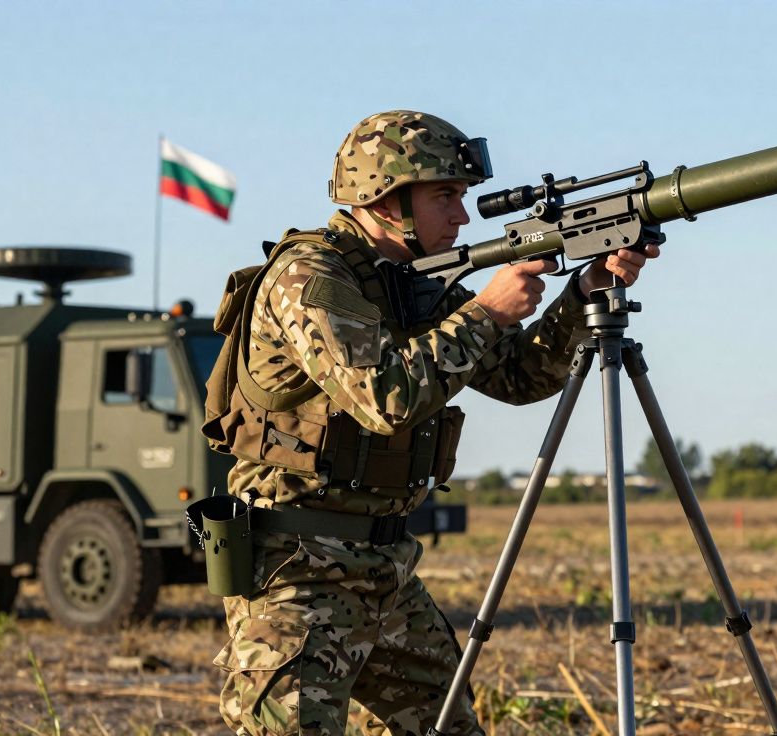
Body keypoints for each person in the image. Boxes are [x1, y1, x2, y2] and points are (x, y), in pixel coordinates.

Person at [207, 110, 659, 736]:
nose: (463, 216)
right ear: (386, 200)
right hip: (297, 571)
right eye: (445, 196)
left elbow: (521, 376)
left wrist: (581, 295)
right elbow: (382, 398)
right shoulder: (309, 277)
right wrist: (485, 313)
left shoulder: (413, 283)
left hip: (385, 567)